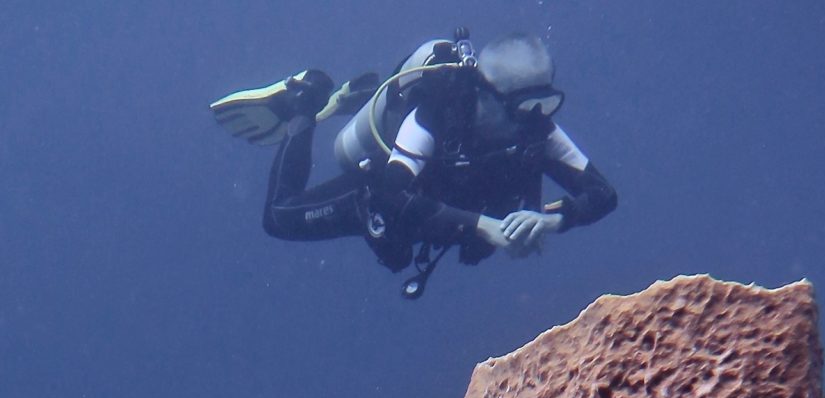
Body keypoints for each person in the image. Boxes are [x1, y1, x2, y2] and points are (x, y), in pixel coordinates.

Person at [211, 30, 617, 297]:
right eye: (522, 105)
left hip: (438, 213)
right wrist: (483, 226)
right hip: (375, 198)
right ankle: (302, 101)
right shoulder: (436, 116)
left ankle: (361, 97)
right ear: (484, 94)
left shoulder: (536, 128)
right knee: (279, 218)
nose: (533, 117)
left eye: (544, 103)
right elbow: (391, 194)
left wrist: (550, 220)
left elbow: (602, 194)